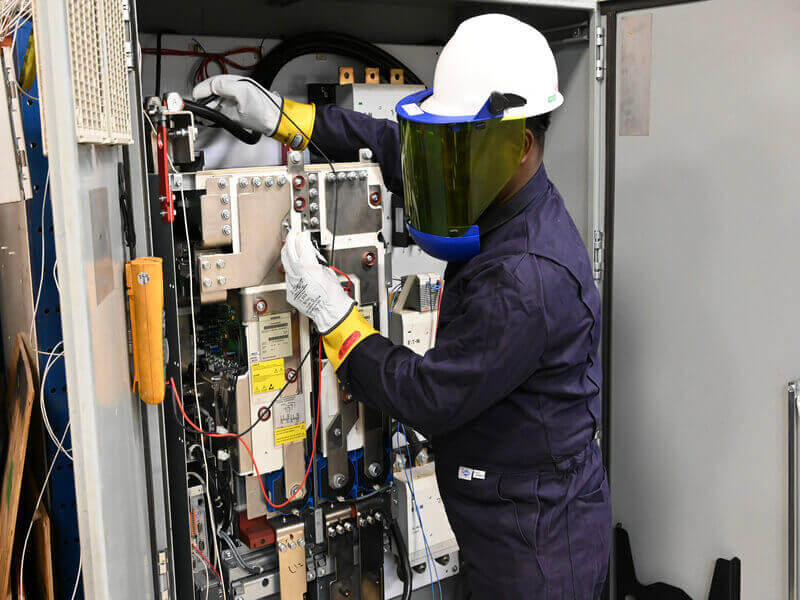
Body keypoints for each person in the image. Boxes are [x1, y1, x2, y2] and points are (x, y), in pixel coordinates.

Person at [194, 13, 610, 599]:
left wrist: (335, 315)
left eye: (461, 141)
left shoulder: (527, 278)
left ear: (519, 145)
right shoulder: (501, 189)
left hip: (537, 550)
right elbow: (398, 149)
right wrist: (287, 118)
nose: (446, 161)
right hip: (506, 520)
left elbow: (427, 397)